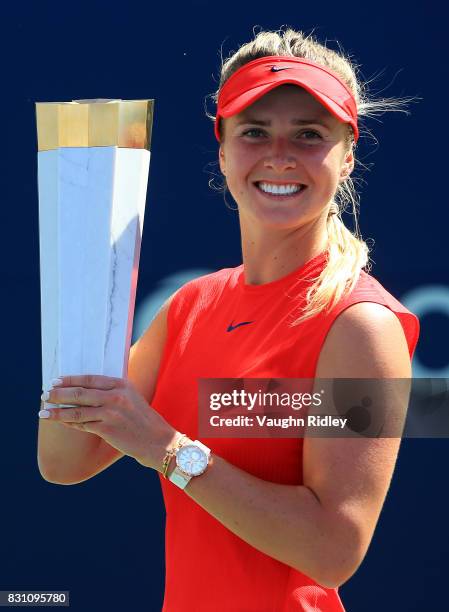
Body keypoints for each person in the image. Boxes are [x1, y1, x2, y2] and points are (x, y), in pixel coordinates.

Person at [38, 28, 420, 612]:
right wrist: (78, 282)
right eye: (255, 132)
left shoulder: (362, 325)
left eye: (309, 135)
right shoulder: (191, 305)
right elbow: (63, 462)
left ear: (346, 157)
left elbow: (333, 548)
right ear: (222, 151)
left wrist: (165, 448)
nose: (279, 154)